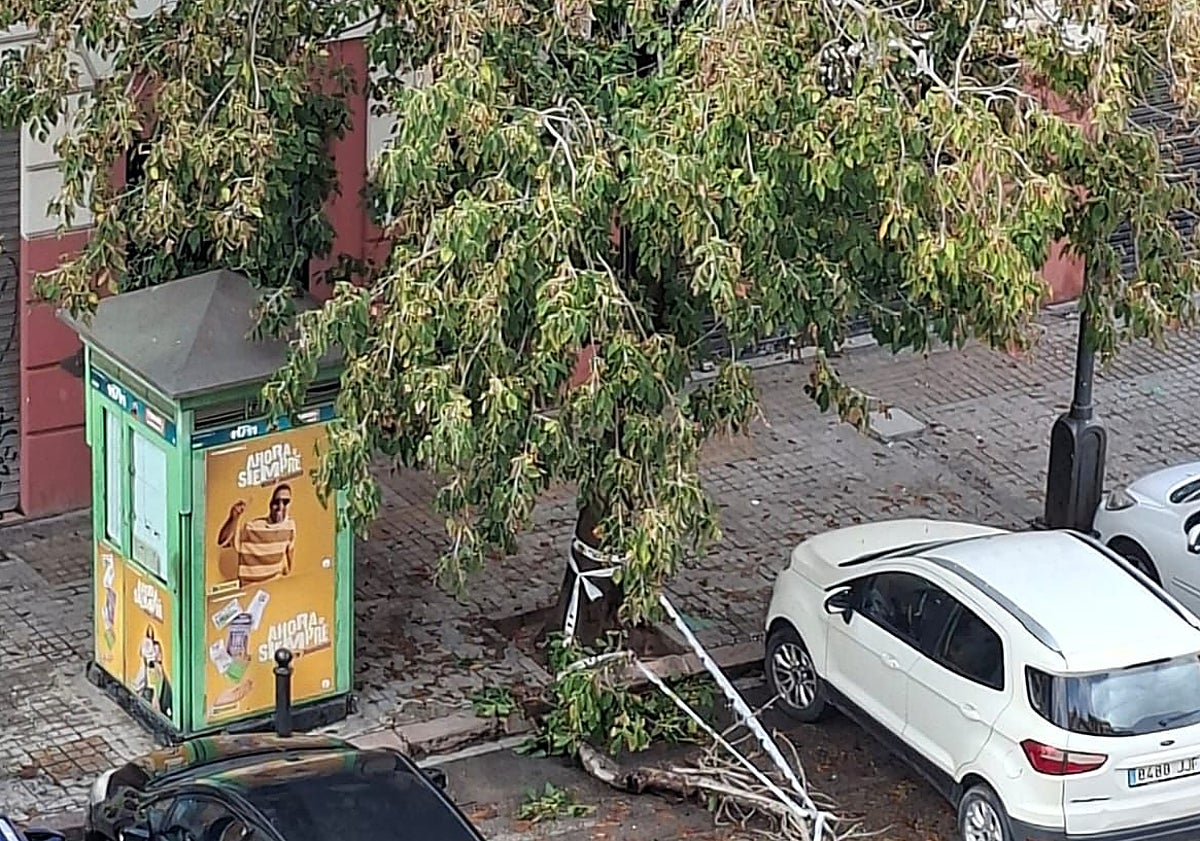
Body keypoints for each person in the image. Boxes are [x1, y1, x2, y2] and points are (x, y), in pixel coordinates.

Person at [216, 483, 297, 584]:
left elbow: (289, 565)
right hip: (250, 588)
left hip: (274, 587)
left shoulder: (290, 527)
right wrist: (233, 518)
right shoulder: (252, 527)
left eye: (285, 502)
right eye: (277, 502)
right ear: (270, 505)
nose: (280, 507)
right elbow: (222, 541)